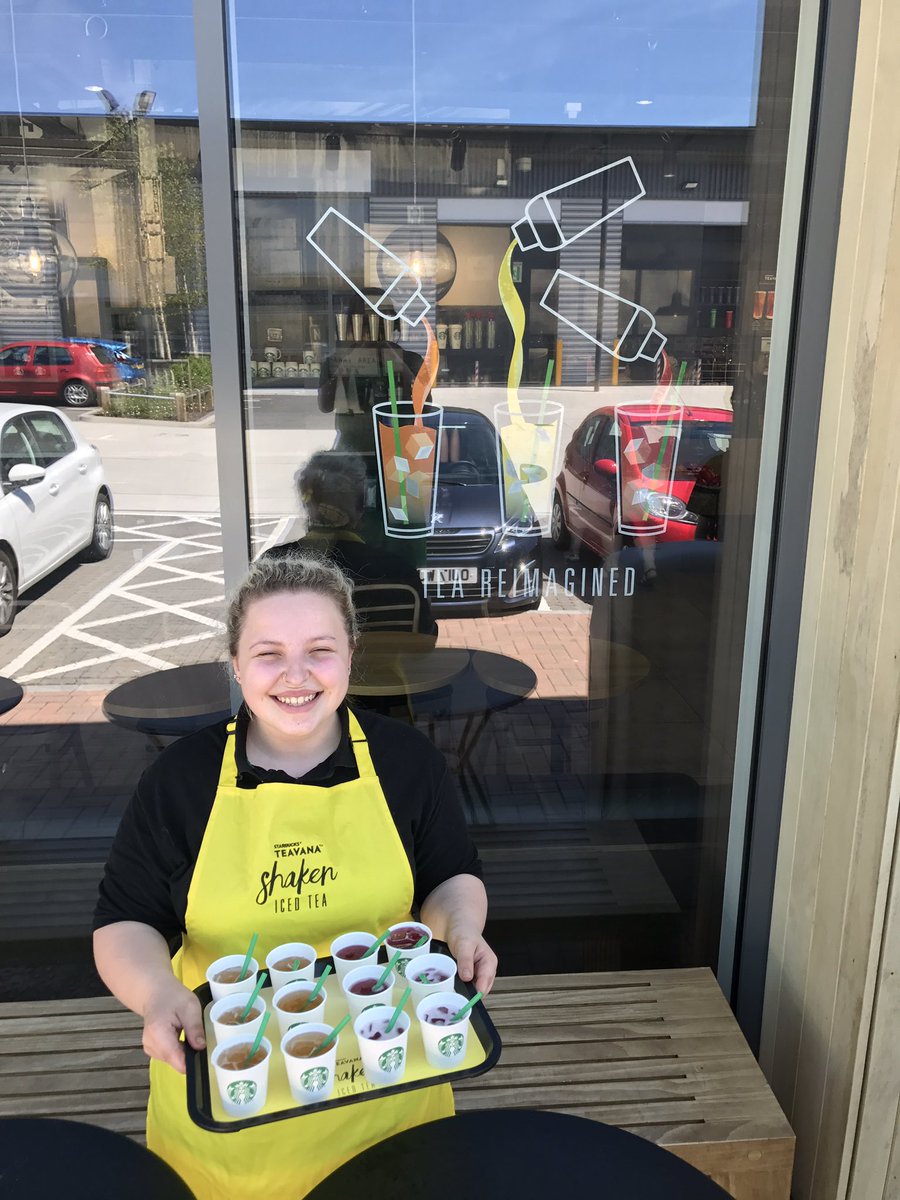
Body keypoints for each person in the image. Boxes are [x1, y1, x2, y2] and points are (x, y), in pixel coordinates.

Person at [92, 554, 496, 1199]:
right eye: (269, 652)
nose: (296, 674)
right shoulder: (181, 781)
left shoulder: (406, 762)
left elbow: (450, 877)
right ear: (235, 662)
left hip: (390, 1089)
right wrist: (154, 995)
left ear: (351, 656)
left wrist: (464, 927)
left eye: (320, 649)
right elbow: (126, 921)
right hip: (231, 1105)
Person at [267, 450, 437, 636]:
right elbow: (425, 644)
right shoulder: (399, 571)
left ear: (307, 506)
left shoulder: (273, 566)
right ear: (361, 508)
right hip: (382, 666)